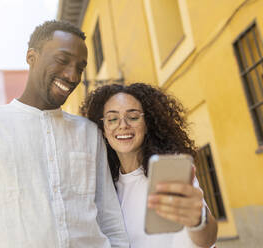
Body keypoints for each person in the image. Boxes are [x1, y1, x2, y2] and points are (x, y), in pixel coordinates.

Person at [0, 20, 128, 248]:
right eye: (62, 60)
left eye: (80, 67)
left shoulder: (89, 133)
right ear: (31, 57)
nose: (73, 75)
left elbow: (109, 217)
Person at [81, 83, 218, 248]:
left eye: (133, 117)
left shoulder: (168, 172)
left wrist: (198, 219)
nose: (123, 125)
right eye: (112, 119)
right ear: (103, 129)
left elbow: (207, 239)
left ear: (147, 125)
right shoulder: (104, 187)